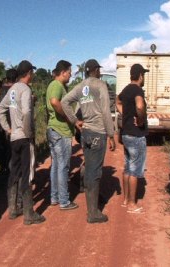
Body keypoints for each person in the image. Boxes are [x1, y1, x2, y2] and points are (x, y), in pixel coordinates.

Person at [61, 59, 116, 223]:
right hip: (98, 133)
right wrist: (111, 134)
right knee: (95, 172)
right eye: (99, 69)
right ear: (96, 70)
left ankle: (93, 203)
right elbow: (106, 111)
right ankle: (93, 212)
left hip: (85, 133)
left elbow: (64, 102)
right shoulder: (100, 85)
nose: (99, 72)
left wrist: (74, 120)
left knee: (90, 168)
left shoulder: (80, 87)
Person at [0, 60, 45, 225]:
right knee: (26, 174)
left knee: (14, 172)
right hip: (24, 138)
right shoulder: (25, 89)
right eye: (32, 72)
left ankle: (12, 210)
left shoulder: (11, 90)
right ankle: (29, 214)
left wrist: (7, 128)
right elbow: (26, 111)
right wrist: (27, 132)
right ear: (29, 73)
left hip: (13, 137)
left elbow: (0, 110)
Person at [116, 64, 149, 214]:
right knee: (135, 170)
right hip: (136, 134)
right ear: (140, 75)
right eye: (143, 75)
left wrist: (126, 115)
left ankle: (125, 199)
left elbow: (117, 101)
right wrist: (140, 119)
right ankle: (131, 204)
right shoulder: (137, 90)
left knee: (128, 166)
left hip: (126, 134)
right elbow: (140, 106)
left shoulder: (126, 89)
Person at [46, 60, 78, 210]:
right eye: (69, 72)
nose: (71, 74)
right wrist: (67, 117)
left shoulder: (56, 85)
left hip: (54, 130)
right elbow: (54, 101)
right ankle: (64, 201)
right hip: (60, 130)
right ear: (63, 72)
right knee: (63, 166)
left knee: (56, 166)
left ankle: (55, 197)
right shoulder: (57, 85)